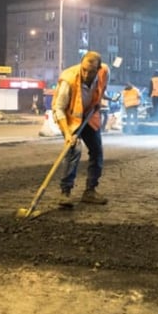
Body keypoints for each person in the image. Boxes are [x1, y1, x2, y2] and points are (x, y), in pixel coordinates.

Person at [52, 51, 110, 206]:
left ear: (97, 69)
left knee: (97, 152)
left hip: (90, 116)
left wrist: (98, 101)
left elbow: (103, 87)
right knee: (73, 151)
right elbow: (59, 108)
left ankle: (90, 191)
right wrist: (67, 133)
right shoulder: (68, 79)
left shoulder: (104, 71)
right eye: (84, 69)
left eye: (91, 71)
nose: (86, 74)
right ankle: (65, 193)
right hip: (70, 119)